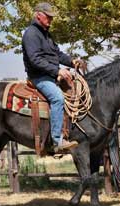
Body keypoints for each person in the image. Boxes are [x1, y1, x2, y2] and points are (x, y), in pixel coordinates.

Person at [22, 2, 82, 151]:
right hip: (39, 77)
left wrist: (71, 61)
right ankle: (57, 141)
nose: (51, 20)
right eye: (48, 17)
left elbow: (57, 54)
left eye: (51, 17)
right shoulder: (31, 34)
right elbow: (35, 60)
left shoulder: (46, 34)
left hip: (50, 75)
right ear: (38, 15)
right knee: (57, 98)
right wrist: (57, 71)